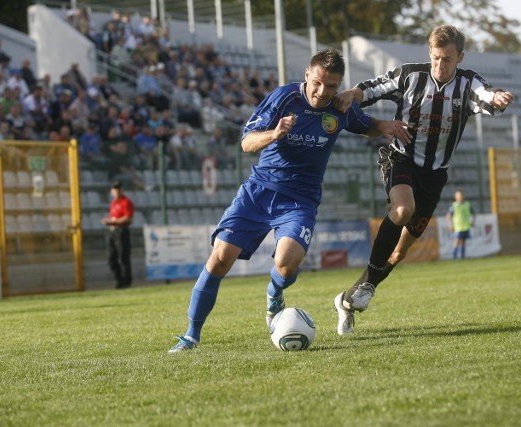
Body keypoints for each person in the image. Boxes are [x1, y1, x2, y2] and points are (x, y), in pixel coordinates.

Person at [168, 48, 410, 353]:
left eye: (332, 86)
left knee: (287, 262)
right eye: (319, 83)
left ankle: (274, 296)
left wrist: (386, 126)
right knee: (219, 258)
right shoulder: (284, 98)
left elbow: (366, 125)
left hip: (300, 201)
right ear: (307, 75)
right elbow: (246, 142)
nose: (323, 92)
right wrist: (275, 133)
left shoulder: (340, 107)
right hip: (258, 193)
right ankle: (191, 336)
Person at [332, 25, 514, 335]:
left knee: (400, 252)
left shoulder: (468, 84)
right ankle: (366, 290)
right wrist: (352, 93)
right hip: (400, 159)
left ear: (460, 57)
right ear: (429, 54)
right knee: (403, 210)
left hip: (435, 175)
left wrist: (497, 97)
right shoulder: (410, 76)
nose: (440, 65)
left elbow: (486, 94)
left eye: (447, 59)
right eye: (435, 58)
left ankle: (351, 297)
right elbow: (372, 88)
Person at [101, 180, 135, 289]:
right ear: (112, 191)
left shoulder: (126, 202)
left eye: (119, 188)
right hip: (113, 231)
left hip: (122, 231)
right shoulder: (113, 203)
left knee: (123, 257)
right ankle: (119, 280)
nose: (117, 191)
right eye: (115, 189)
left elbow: (128, 218)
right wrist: (111, 222)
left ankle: (126, 281)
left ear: (122, 189)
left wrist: (113, 222)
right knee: (112, 258)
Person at [446, 190, 475, 259]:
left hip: (465, 226)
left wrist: (473, 221)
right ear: (455, 197)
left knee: (463, 242)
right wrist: (451, 225)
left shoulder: (467, 204)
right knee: (456, 241)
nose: (460, 197)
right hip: (458, 227)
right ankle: (454, 257)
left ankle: (462, 257)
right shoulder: (454, 206)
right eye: (458, 195)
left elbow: (474, 213)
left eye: (461, 195)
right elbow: (448, 216)